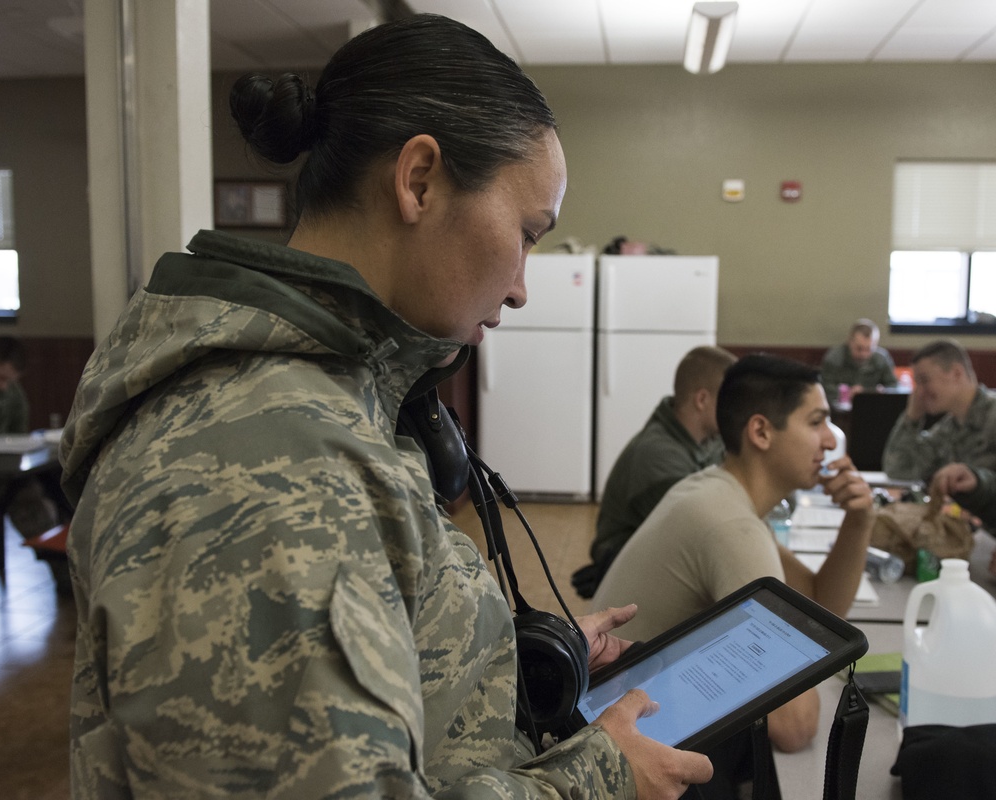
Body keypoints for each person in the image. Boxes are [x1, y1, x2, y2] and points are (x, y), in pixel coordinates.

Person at [59, 15, 712, 799]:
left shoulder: (332, 400)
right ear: (420, 181)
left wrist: (505, 649)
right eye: (528, 232)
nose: (521, 286)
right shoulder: (262, 467)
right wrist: (598, 778)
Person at [591, 354, 875, 759]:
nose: (831, 440)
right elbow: (794, 727)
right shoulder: (730, 525)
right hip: (617, 749)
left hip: (613, 724)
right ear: (760, 431)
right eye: (816, 422)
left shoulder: (717, 492)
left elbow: (817, 607)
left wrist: (859, 522)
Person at [573, 346, 736, 598]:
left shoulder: (708, 438)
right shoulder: (658, 454)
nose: (736, 412)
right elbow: (699, 533)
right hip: (629, 572)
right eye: (731, 401)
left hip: (662, 554)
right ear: (702, 400)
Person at [882, 338, 996, 483]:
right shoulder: (949, 427)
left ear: (956, 373)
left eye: (924, 380)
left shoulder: (992, 416)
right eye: (916, 383)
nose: (918, 393)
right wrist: (912, 418)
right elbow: (899, 468)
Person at [0, 336, 59, 542]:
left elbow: (19, 435)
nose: (4, 387)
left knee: (53, 484)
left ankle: (62, 554)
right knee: (25, 496)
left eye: (10, 380)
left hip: (5, 470)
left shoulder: (13, 392)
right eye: (0, 379)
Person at [819, 318, 897, 405]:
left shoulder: (882, 359)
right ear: (850, 342)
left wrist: (875, 392)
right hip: (840, 411)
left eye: (868, 349)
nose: (863, 354)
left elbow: (894, 386)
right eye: (859, 348)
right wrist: (847, 393)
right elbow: (823, 387)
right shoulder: (834, 359)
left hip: (874, 407)